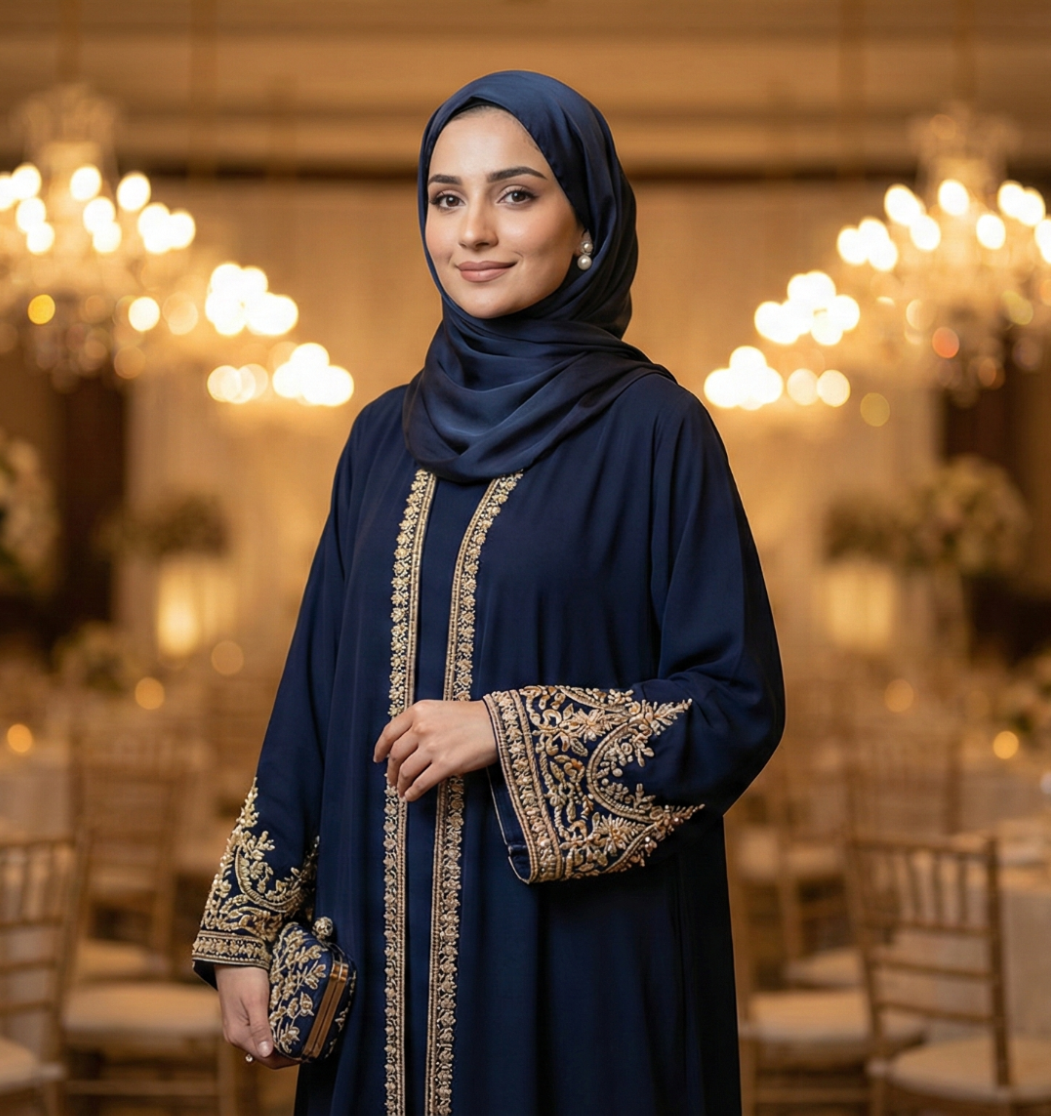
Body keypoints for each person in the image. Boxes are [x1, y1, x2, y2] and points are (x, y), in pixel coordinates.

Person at [194, 70, 785, 1116]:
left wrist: (508, 732)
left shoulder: (656, 431)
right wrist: (247, 929)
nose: (473, 230)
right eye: (444, 196)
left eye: (516, 194)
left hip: (578, 964)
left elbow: (735, 702)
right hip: (376, 953)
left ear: (587, 222)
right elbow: (310, 702)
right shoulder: (381, 436)